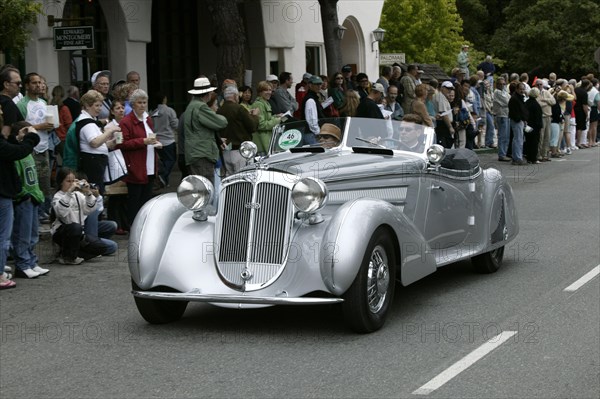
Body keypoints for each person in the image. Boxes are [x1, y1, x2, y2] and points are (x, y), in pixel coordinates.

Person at [0, 108, 41, 289]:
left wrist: (18, 138)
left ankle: (17, 264)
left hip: (12, 193)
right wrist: (31, 138)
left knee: (26, 234)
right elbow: (14, 152)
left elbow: (9, 148)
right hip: (8, 194)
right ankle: (6, 271)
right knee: (5, 237)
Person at [51, 168, 117, 264]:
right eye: (68, 181)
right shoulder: (58, 196)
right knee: (75, 227)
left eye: (73, 181)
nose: (71, 184)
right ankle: (69, 257)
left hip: (79, 234)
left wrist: (88, 193)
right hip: (63, 233)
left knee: (103, 248)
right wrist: (69, 192)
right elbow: (62, 213)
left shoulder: (78, 194)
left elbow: (90, 210)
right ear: (61, 182)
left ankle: (73, 254)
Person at [8, 122, 49, 278]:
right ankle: (22, 263)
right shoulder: (16, 153)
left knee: (33, 233)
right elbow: (17, 178)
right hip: (24, 198)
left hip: (34, 197)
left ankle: (31, 261)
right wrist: (24, 194)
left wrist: (37, 194)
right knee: (22, 234)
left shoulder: (29, 153)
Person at [117, 89, 161, 224]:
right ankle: (133, 225)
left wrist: (156, 142)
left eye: (144, 102)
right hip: (135, 165)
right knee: (135, 200)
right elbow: (122, 144)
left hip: (149, 163)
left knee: (146, 199)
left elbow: (150, 136)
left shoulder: (147, 119)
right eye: (139, 102)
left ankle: (144, 226)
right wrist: (142, 141)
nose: (142, 105)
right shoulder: (126, 122)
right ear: (133, 104)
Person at [183, 77, 228, 184]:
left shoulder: (191, 106)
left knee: (199, 189)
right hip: (202, 153)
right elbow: (222, 122)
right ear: (206, 94)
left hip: (195, 153)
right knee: (206, 189)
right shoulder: (201, 107)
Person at [77, 90, 121, 193]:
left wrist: (112, 142)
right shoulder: (87, 123)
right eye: (97, 106)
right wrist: (110, 130)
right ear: (87, 106)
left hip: (96, 162)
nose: (100, 109)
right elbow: (95, 142)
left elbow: (99, 143)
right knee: (95, 193)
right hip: (93, 163)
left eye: (101, 106)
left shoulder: (90, 121)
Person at [217, 86, 259, 175]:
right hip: (241, 151)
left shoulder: (219, 110)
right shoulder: (239, 108)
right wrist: (255, 116)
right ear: (235, 96)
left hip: (226, 151)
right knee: (243, 180)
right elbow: (252, 127)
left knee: (229, 181)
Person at [149, 91, 179, 187]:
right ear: (164, 99)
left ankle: (165, 181)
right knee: (170, 160)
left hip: (156, 140)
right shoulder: (169, 110)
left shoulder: (151, 111)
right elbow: (175, 124)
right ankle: (162, 176)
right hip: (168, 140)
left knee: (162, 161)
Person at [0, 67, 24, 138]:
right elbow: (5, 134)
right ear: (6, 84)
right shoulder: (8, 103)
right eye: (18, 83)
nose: (20, 86)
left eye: (21, 83)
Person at [508, 82, 529, 165]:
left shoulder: (519, 97)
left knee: (518, 139)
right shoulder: (515, 99)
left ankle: (516, 157)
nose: (522, 91)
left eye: (523, 89)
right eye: (520, 89)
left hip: (519, 120)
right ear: (516, 89)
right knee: (518, 139)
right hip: (517, 121)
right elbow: (515, 111)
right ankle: (517, 158)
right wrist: (520, 119)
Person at [301, 75, 326, 144]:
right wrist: (318, 133)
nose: (319, 86)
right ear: (310, 85)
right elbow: (311, 120)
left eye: (320, 84)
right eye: (316, 84)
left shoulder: (313, 97)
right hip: (311, 134)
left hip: (311, 134)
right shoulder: (310, 99)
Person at [493, 77, 512, 161]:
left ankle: (504, 153)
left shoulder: (504, 92)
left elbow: (510, 100)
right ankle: (502, 154)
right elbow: (508, 102)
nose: (502, 85)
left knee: (506, 136)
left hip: (506, 115)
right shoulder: (497, 92)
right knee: (503, 136)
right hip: (501, 115)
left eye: (503, 84)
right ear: (497, 84)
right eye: (500, 84)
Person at [434, 81, 455, 148]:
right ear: (442, 88)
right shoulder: (441, 97)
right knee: (444, 145)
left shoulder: (442, 96)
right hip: (443, 124)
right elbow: (443, 113)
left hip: (443, 124)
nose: (449, 90)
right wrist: (450, 127)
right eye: (447, 88)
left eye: (451, 89)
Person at [524, 88, 543, 164]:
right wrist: (540, 126)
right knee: (534, 142)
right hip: (535, 126)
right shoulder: (536, 105)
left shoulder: (526, 103)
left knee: (528, 141)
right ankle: (533, 158)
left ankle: (528, 157)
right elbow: (538, 117)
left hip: (528, 125)